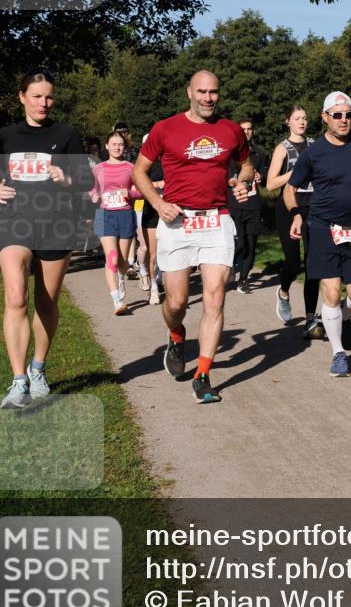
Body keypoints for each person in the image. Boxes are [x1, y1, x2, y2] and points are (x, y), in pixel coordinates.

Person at [133, 70, 253, 404]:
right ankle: (175, 334)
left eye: (213, 92)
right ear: (189, 92)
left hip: (217, 221)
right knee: (177, 303)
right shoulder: (165, 128)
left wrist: (242, 181)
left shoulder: (230, 130)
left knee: (215, 297)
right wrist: (157, 203)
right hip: (178, 222)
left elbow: (247, 164)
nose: (207, 98)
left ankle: (202, 375)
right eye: (201, 91)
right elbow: (138, 171)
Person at [0, 67, 86, 409]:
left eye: (48, 96)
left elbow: (86, 183)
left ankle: (38, 368)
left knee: (46, 302)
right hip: (12, 224)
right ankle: (18, 382)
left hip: (55, 225)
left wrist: (66, 180)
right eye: (36, 96)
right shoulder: (4, 136)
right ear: (21, 98)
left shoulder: (68, 134)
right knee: (16, 297)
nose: (43, 103)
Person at [284, 92, 351, 377]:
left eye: (348, 114)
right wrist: (297, 214)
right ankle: (338, 354)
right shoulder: (313, 153)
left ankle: (337, 319)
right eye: (337, 115)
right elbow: (289, 189)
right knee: (331, 291)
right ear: (325, 118)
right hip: (323, 228)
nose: (344, 119)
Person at [266, 106, 322, 337]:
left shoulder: (316, 145)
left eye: (304, 118)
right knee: (293, 262)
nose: (302, 121)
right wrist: (296, 173)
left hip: (314, 207)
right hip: (288, 209)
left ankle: (310, 318)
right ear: (287, 122)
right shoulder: (282, 149)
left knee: (313, 264)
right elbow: (270, 184)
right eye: (297, 118)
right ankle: (284, 291)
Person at [90, 131, 142, 314]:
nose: (117, 147)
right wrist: (94, 195)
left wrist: (131, 194)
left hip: (125, 214)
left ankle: (120, 278)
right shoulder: (98, 168)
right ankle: (116, 301)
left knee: (122, 261)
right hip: (105, 215)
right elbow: (93, 189)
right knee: (111, 258)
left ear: (124, 147)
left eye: (120, 144)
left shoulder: (130, 167)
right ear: (107, 146)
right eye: (114, 144)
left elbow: (141, 191)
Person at [228, 120, 269, 293]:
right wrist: (230, 180)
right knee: (240, 244)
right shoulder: (230, 153)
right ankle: (229, 266)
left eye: (249, 129)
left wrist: (261, 177)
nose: (246, 132)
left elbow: (268, 179)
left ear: (253, 131)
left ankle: (242, 280)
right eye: (243, 129)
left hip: (253, 205)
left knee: (251, 245)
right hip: (234, 204)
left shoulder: (259, 154)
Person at [140, 135, 164, 306]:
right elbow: (137, 186)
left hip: (171, 211)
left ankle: (164, 281)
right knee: (153, 255)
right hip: (151, 212)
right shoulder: (143, 166)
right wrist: (158, 185)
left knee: (169, 252)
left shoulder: (169, 162)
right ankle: (154, 287)